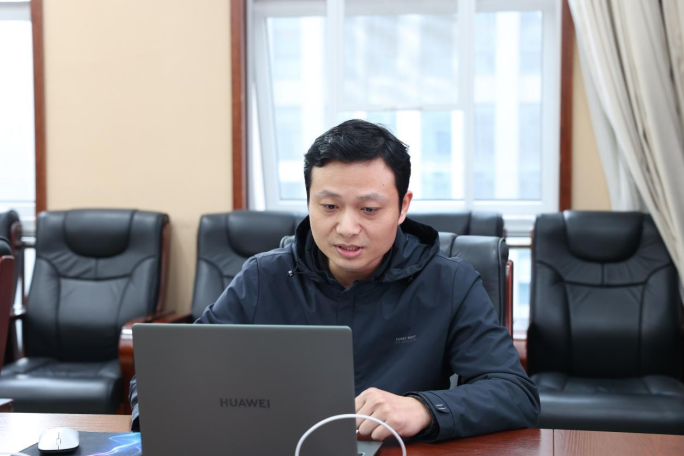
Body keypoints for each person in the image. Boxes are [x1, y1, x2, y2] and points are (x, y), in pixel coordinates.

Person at [129, 119, 540, 441]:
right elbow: (164, 375)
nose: (346, 228)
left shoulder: (449, 282)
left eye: (369, 210)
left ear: (402, 207)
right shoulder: (263, 277)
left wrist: (424, 409)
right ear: (308, 201)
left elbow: (514, 393)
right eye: (328, 206)